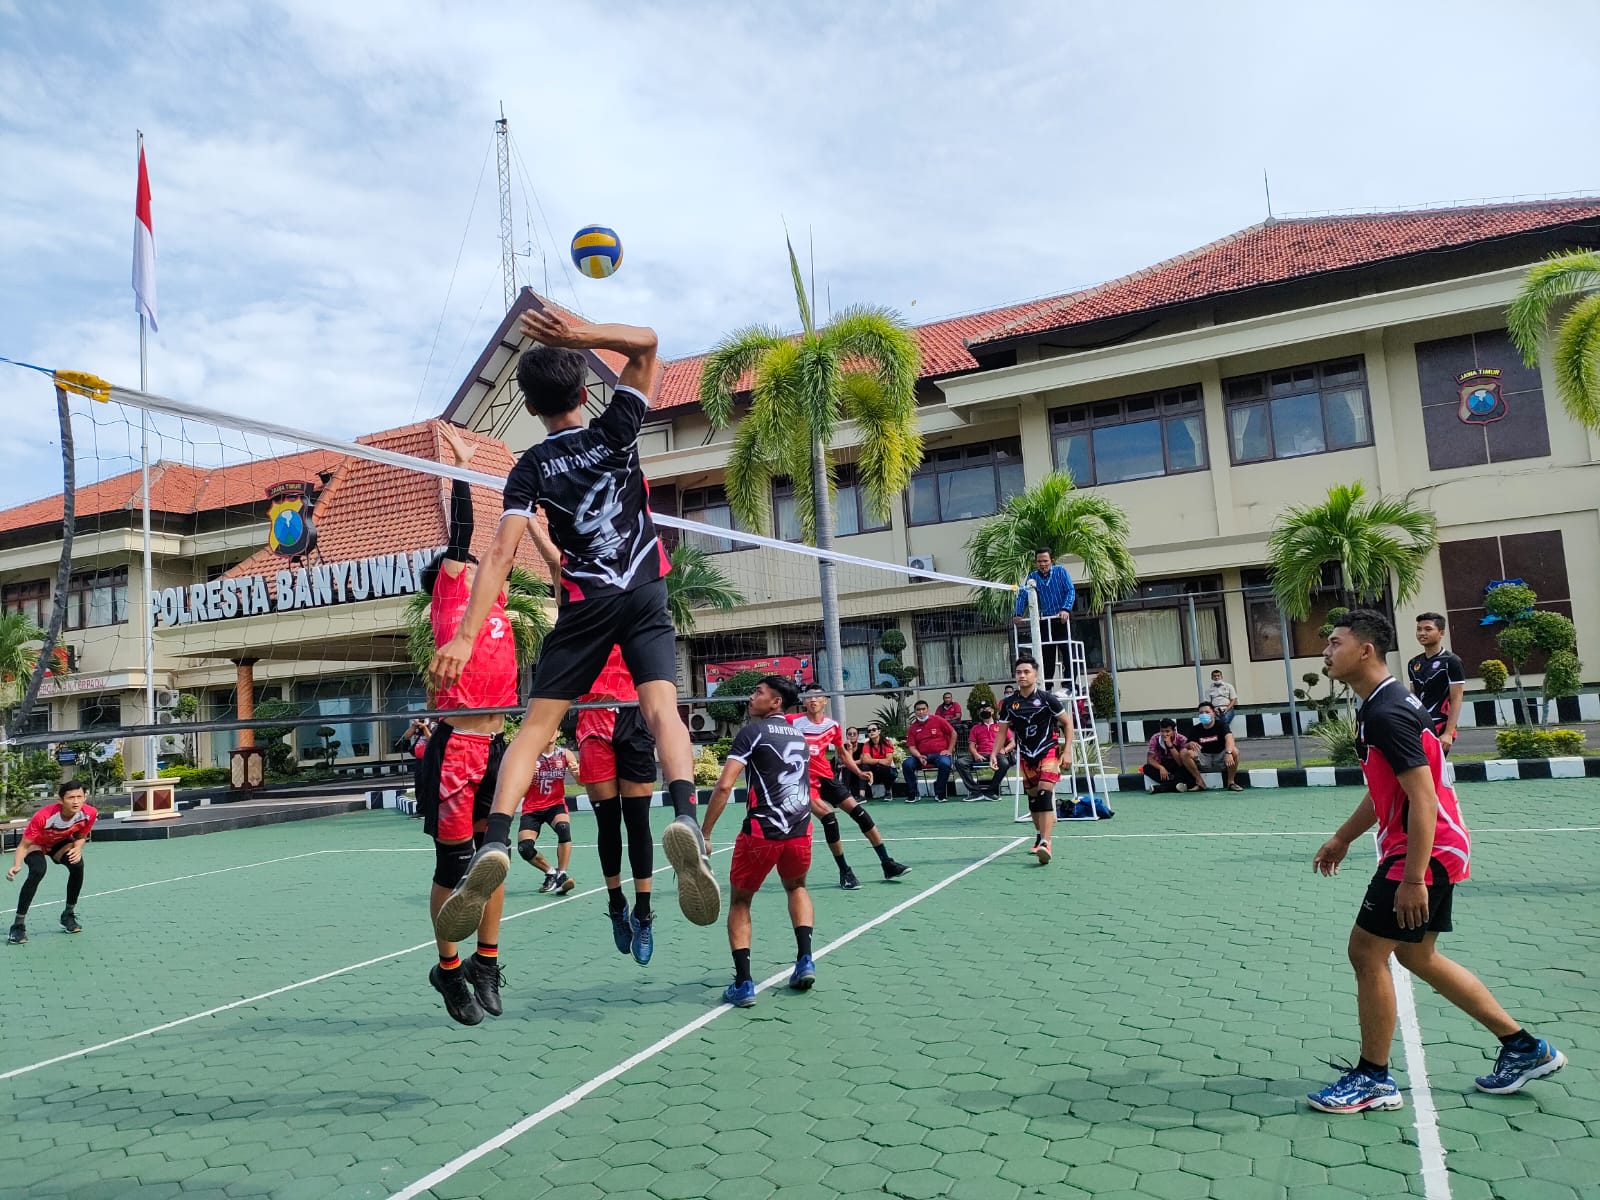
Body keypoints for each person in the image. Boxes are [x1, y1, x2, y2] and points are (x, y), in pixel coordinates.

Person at [429, 308, 719, 949]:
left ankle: (498, 838)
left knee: (533, 728)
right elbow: (647, 341)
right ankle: (687, 821)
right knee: (662, 708)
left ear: (530, 407)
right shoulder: (617, 428)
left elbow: (499, 555)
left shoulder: (528, 468)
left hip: (586, 600)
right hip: (642, 586)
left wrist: (466, 635)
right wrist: (579, 336)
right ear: (584, 392)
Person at [1307, 609, 1565, 1113]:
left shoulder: (1387, 711)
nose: (1326, 651)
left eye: (1335, 642)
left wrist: (1412, 878)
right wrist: (1343, 838)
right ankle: (1524, 1047)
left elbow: (1422, 801)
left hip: (1424, 852)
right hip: (1433, 848)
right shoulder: (1382, 704)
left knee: (1366, 952)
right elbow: (1389, 791)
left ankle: (1374, 1079)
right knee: (1416, 955)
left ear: (1365, 651)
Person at [416, 422, 513, 1026]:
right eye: (464, 565)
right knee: (453, 870)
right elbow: (468, 532)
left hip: (498, 743)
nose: (475, 566)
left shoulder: (493, 600)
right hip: (457, 748)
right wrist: (462, 468)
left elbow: (504, 537)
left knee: (493, 859)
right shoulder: (452, 599)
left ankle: (486, 960)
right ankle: (448, 970)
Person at [700, 676, 817, 1008]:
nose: (751, 697)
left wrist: (705, 832)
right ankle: (805, 959)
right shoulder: (798, 735)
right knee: (797, 887)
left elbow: (724, 786)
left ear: (776, 702)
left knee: (740, 902)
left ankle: (744, 982)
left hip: (762, 832)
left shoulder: (752, 733)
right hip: (800, 830)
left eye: (759, 692)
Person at [576, 645, 662, 965]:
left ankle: (643, 913)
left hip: (633, 711)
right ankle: (616, 904)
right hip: (594, 714)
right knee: (608, 824)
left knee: (638, 822)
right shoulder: (585, 610)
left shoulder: (637, 611)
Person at [790, 684, 910, 890]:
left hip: (827, 778)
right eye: (808, 697)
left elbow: (843, 753)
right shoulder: (792, 722)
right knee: (829, 819)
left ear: (825, 701)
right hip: (802, 782)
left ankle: (887, 863)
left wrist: (858, 772)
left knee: (861, 814)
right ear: (803, 701)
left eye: (817, 697)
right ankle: (845, 871)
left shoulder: (832, 726)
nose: (812, 700)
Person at [998, 657, 1073, 865]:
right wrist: (996, 754)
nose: (1022, 675)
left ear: (1035, 675)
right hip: (1027, 756)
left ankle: (1046, 843)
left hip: (1048, 751)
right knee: (1033, 800)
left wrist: (1067, 751)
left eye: (1026, 672)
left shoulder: (1048, 699)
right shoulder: (1009, 704)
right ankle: (1039, 835)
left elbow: (1067, 724)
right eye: (1018, 672)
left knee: (1044, 794)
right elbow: (1001, 731)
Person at [6, 781, 97, 944]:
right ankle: (18, 926)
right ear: (61, 800)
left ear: (85, 797)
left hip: (59, 843)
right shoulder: (44, 816)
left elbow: (81, 837)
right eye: (71, 798)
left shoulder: (90, 813)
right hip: (37, 844)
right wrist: (17, 865)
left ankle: (68, 915)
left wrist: (78, 848)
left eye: (79, 797)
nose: (76, 801)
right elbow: (23, 845)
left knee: (77, 865)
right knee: (38, 870)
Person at [518, 734, 580, 896]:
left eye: (554, 729)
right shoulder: (530, 756)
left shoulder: (565, 754)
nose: (550, 732)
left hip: (555, 805)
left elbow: (582, 782)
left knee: (563, 828)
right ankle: (550, 872)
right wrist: (529, 776)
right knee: (524, 848)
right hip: (532, 808)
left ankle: (562, 874)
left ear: (558, 733)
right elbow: (519, 788)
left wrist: (578, 773)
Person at [1012, 548, 1076, 690]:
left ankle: (1069, 685)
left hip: (1063, 619)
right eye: (1039, 561)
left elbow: (1070, 590)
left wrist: (1065, 609)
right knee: (1046, 655)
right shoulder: (1032, 577)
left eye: (1045, 561)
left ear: (1051, 561)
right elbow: (1023, 595)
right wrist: (1017, 613)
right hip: (1046, 620)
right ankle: (1047, 686)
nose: (1043, 564)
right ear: (1036, 563)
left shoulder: (1061, 571)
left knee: (1068, 652)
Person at [1407, 612, 1467, 754]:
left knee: (1432, 772)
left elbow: (1457, 698)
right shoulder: (1413, 663)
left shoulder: (1451, 661)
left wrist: (1448, 733)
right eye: (1419, 629)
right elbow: (1413, 696)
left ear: (1441, 633)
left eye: (1428, 629)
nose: (1422, 633)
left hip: (1439, 726)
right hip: (1418, 726)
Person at [902, 699, 957, 803]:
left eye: (923, 709)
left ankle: (940, 793)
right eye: (918, 710)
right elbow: (912, 747)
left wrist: (949, 750)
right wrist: (919, 756)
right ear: (915, 712)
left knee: (945, 763)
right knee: (907, 764)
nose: (921, 712)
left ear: (927, 710)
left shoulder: (938, 720)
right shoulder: (912, 728)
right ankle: (913, 794)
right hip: (921, 756)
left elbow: (953, 733)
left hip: (940, 755)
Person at [955, 704, 1011, 799]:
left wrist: (1005, 750)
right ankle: (975, 792)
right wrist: (976, 754)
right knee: (960, 762)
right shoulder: (975, 728)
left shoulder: (1000, 726)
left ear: (992, 711)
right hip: (981, 754)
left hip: (997, 754)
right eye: (982, 709)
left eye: (986, 709)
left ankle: (991, 791)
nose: (984, 711)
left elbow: (1012, 742)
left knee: (1004, 763)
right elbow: (971, 745)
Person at [1190, 702, 1243, 790]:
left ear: (1214, 713)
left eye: (1207, 712)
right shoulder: (1195, 729)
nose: (1204, 715)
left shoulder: (1222, 725)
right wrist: (1189, 744)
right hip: (1204, 759)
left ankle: (1231, 782)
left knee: (1234, 751)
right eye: (1201, 713)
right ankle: (1200, 782)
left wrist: (1228, 753)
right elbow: (1186, 746)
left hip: (1221, 759)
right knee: (1185, 753)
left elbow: (1229, 738)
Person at [1144, 718, 1204, 792]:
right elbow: (1150, 759)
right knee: (1147, 768)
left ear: (1174, 731)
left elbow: (1181, 762)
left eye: (1167, 731)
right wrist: (1161, 767)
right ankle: (1176, 785)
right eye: (1162, 731)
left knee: (1187, 770)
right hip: (1163, 765)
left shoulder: (1181, 739)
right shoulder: (1155, 738)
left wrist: (1170, 746)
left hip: (1177, 765)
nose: (1164, 734)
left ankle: (1161, 788)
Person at [854, 724, 898, 800]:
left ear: (879, 731)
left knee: (884, 768)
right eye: (869, 731)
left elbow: (888, 762)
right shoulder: (867, 744)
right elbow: (865, 760)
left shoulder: (886, 743)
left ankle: (888, 792)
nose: (871, 732)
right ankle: (862, 795)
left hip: (889, 773)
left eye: (874, 730)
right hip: (873, 775)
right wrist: (879, 760)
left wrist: (872, 760)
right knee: (865, 766)